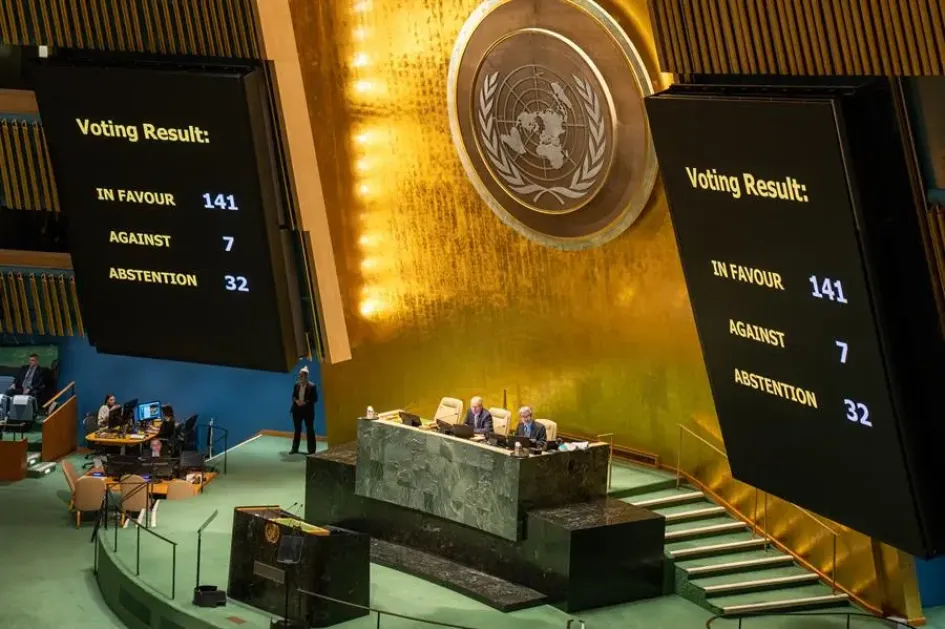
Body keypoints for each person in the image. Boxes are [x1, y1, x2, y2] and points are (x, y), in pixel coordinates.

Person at [290, 366, 318, 455]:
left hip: (308, 412)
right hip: (297, 411)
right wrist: (296, 401)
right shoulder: (296, 385)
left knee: (310, 430)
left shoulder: (312, 386)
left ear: (306, 376)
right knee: (297, 430)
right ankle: (294, 449)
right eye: (299, 375)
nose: (300, 377)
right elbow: (294, 396)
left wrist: (305, 403)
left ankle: (311, 451)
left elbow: (315, 399)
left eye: (301, 376)